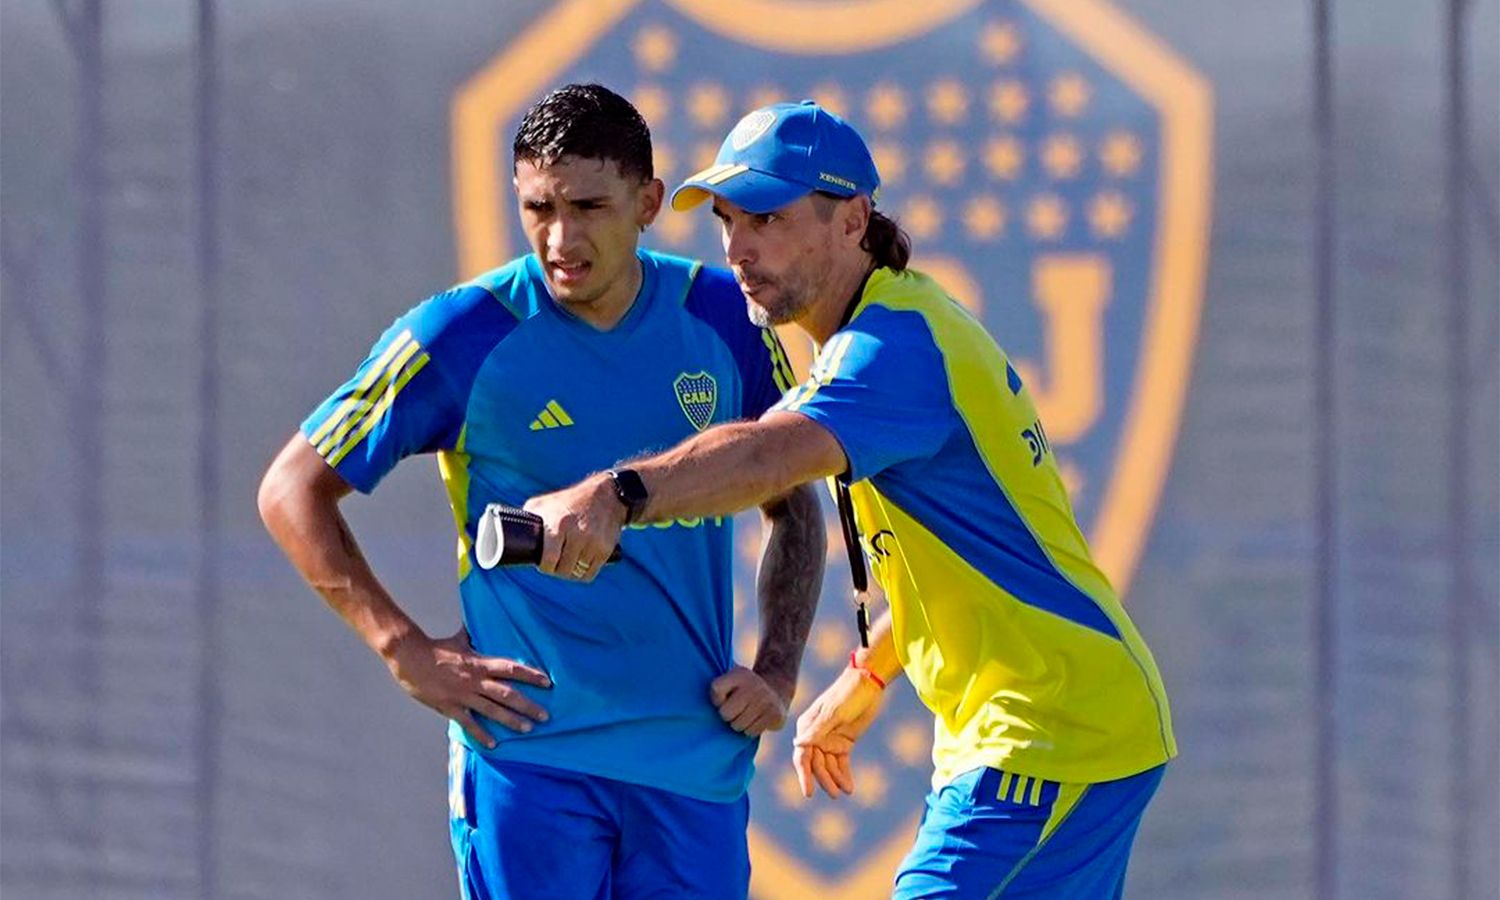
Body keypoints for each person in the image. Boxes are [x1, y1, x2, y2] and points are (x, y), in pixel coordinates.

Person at [523, 100, 1177, 898]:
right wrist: (869, 673)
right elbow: (967, 557)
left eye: (767, 216)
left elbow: (769, 456)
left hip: (1049, 738)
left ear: (852, 219)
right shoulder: (892, 326)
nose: (739, 247)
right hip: (1052, 726)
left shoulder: (891, 349)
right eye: (728, 220)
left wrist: (617, 492)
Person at [256, 84, 825, 900]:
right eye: (538, 208)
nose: (561, 238)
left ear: (650, 203)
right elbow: (290, 491)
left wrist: (777, 667)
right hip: (531, 759)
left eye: (589, 206)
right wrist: (402, 648)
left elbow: (791, 499)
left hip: (692, 762)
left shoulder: (724, 321)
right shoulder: (462, 334)